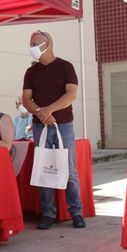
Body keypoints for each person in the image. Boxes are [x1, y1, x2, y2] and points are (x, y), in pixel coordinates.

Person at [22, 30, 85, 230]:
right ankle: (48, 213)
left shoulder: (66, 67)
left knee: (70, 170)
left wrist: (49, 110)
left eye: (35, 43)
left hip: (64, 125)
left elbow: (71, 94)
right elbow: (26, 99)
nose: (32, 47)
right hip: (41, 126)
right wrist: (42, 114)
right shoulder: (31, 72)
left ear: (47, 44)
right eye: (30, 43)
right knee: (44, 169)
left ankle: (76, 212)